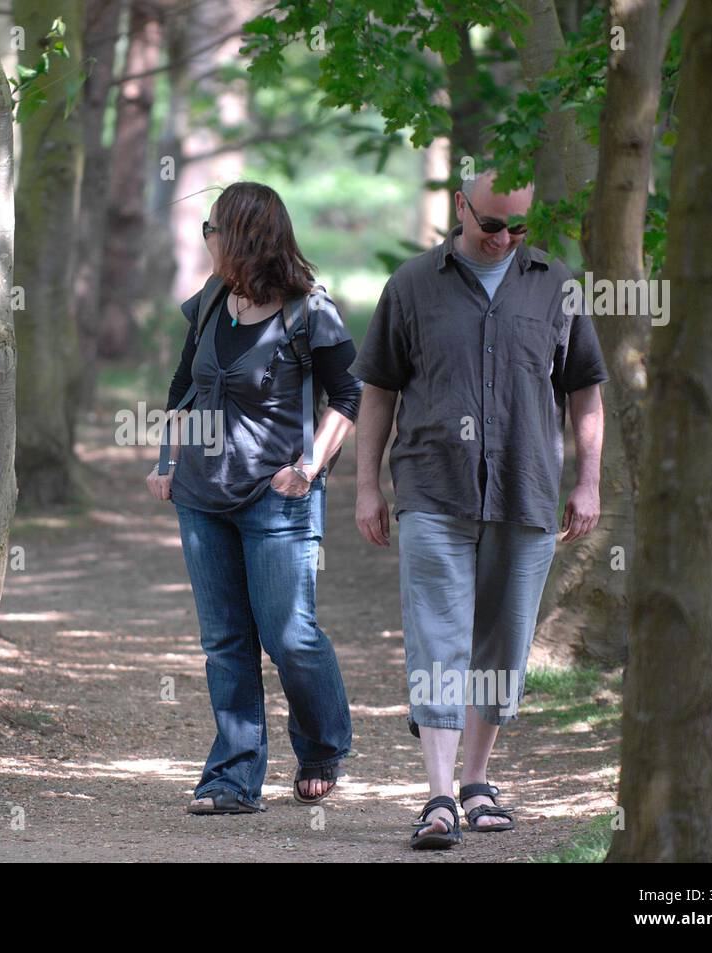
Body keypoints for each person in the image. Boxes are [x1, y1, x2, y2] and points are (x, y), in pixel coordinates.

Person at [351, 169, 608, 848]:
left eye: (518, 227)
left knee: (503, 641)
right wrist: (367, 486)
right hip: (433, 487)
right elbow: (376, 389)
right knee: (438, 638)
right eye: (491, 224)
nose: (503, 239)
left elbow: (584, 391)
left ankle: (477, 779)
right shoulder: (410, 285)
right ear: (460, 206)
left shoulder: (556, 285)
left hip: (526, 490)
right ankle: (436, 796)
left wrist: (590, 482)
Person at [147, 181, 361, 813]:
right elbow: (183, 383)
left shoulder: (309, 311)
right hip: (201, 497)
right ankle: (233, 778)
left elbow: (347, 396)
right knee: (225, 642)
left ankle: (322, 746)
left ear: (243, 237)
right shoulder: (212, 301)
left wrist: (310, 466)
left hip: (278, 499)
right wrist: (166, 458)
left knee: (290, 636)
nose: (206, 240)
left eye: (213, 229)